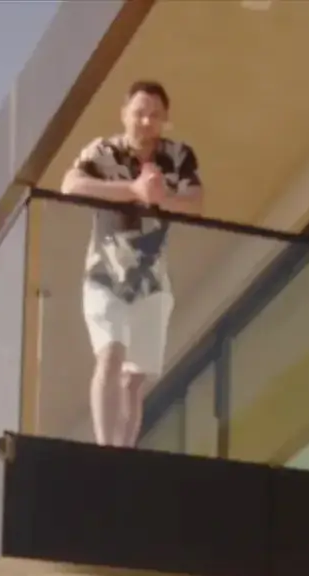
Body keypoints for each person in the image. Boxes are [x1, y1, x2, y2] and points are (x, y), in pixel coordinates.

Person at [59, 79, 202, 448]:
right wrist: (133, 191)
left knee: (134, 378)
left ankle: (124, 451)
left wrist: (161, 197)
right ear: (124, 114)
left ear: (165, 118)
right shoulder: (104, 151)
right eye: (139, 113)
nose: (146, 122)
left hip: (152, 280)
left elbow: (195, 200)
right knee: (110, 354)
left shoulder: (177, 155)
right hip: (105, 273)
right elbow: (70, 185)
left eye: (155, 115)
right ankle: (105, 448)